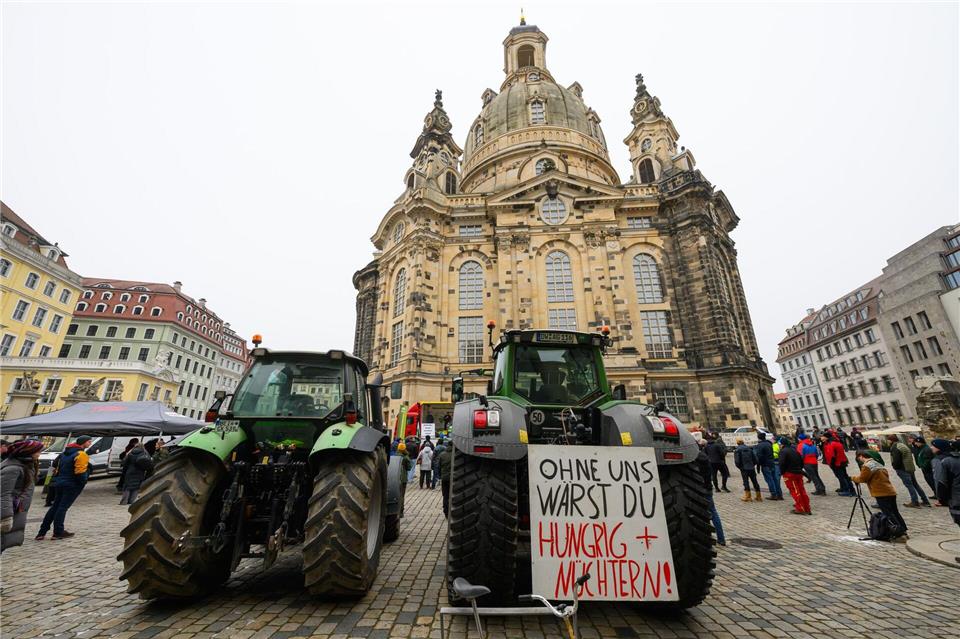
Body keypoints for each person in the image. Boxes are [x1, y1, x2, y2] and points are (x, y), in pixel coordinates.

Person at [36, 435, 93, 540]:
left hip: (60, 482)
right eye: (89, 442)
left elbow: (56, 467)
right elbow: (80, 472)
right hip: (72, 484)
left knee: (55, 507)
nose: (90, 444)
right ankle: (58, 532)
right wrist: (83, 482)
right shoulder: (81, 454)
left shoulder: (64, 453)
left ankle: (42, 532)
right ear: (83, 442)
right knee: (62, 508)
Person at [850, 449, 908, 540]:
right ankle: (903, 529)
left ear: (861, 456)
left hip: (881, 492)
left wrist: (852, 478)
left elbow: (862, 479)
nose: (859, 460)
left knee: (888, 513)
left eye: (859, 458)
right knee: (895, 512)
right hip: (890, 490)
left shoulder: (866, 466)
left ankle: (898, 533)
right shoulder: (878, 464)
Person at [1, 439, 45, 552]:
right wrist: (5, 518)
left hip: (15, 508)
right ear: (28, 452)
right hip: (7, 511)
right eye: (38, 451)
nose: (39, 454)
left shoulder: (26, 465)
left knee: (4, 542)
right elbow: (3, 494)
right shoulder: (13, 468)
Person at [696, 440, 726, 546]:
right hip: (708, 488)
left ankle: (705, 537)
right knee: (713, 513)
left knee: (699, 514)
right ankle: (721, 538)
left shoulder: (694, 459)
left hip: (699, 489)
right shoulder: (705, 457)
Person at [887, 435, 930, 508]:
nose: (887, 442)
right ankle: (925, 501)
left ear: (891, 440)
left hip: (903, 469)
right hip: (910, 468)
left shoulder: (895, 447)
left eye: (888, 440)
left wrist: (895, 467)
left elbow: (897, 460)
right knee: (915, 485)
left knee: (910, 486)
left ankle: (915, 502)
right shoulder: (902, 445)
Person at [930, 438, 960, 528]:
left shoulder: (945, 461)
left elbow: (941, 482)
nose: (931, 448)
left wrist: (942, 499)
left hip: (956, 499)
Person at [779, 436, 811, 515]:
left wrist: (782, 472)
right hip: (798, 472)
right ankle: (807, 507)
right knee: (801, 490)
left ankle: (801, 508)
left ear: (782, 444)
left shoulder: (783, 451)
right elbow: (801, 461)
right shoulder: (794, 450)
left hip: (790, 473)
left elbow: (782, 464)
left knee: (795, 491)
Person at [822, 431, 854, 496]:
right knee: (844, 476)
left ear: (827, 437)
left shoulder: (831, 444)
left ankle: (847, 490)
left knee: (841, 477)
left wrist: (831, 464)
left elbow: (832, 455)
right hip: (841, 461)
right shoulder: (835, 441)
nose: (821, 438)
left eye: (823, 436)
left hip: (837, 463)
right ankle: (846, 488)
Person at [755, 432, 783, 500]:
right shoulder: (769, 443)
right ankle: (779, 494)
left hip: (765, 464)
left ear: (759, 438)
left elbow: (759, 456)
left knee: (770, 480)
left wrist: (758, 465)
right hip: (772, 463)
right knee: (775, 479)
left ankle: (773, 494)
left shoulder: (760, 445)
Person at [733, 438, 762, 502]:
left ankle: (748, 496)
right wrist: (752, 465)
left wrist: (740, 467)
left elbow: (737, 461)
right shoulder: (749, 449)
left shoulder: (737, 450)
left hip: (744, 468)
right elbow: (755, 459)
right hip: (751, 467)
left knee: (746, 482)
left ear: (737, 443)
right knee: (755, 481)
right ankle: (758, 496)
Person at [909, 435, 937, 500]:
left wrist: (923, 466)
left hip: (928, 469)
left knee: (931, 481)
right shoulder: (921, 448)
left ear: (920, 442)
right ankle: (936, 493)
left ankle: (938, 494)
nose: (915, 443)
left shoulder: (926, 449)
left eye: (916, 442)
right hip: (924, 468)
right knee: (929, 481)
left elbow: (928, 460)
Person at [438, 442, 453, 517]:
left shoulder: (442, 454)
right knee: (453, 495)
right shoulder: (455, 455)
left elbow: (439, 466)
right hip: (453, 479)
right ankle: (452, 510)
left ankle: (446, 511)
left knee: (445, 495)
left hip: (444, 478)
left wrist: (440, 476)